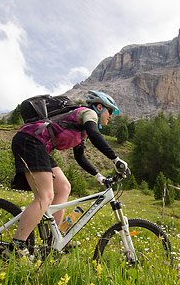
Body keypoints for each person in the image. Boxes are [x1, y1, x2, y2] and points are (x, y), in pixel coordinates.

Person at [9, 90, 128, 258]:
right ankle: (17, 247)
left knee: (64, 187)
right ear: (100, 107)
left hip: (38, 145)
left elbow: (80, 157)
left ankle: (53, 239)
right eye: (110, 111)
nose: (111, 116)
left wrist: (98, 176)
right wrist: (115, 159)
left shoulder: (82, 130)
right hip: (31, 141)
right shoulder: (88, 113)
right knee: (45, 196)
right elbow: (95, 135)